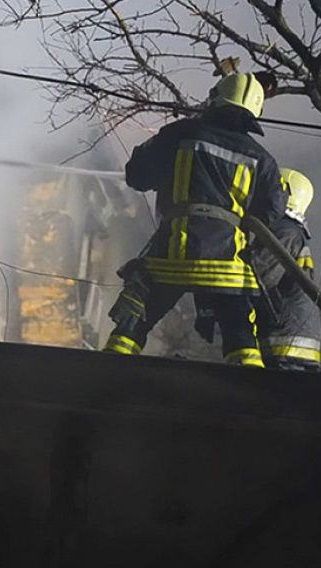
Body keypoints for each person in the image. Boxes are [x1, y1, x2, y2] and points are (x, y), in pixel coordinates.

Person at [103, 72, 288, 367]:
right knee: (239, 330)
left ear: (215, 98)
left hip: (170, 257)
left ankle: (103, 374)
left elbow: (136, 174)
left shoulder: (179, 134)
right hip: (225, 264)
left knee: (136, 316)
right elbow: (275, 208)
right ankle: (252, 390)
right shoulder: (261, 159)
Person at [249, 168, 321, 371]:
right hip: (290, 344)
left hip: (286, 346)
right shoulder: (290, 232)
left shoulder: (284, 232)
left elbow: (259, 275)